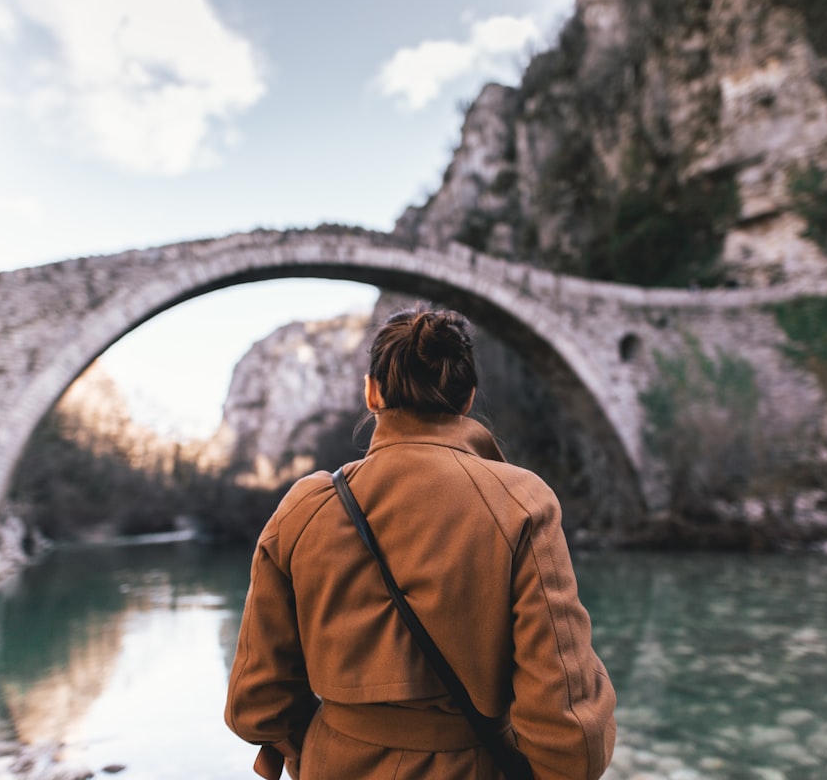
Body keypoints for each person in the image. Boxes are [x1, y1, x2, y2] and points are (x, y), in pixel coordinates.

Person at [224, 304, 616, 780]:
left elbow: (255, 703)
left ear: (371, 394)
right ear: (467, 398)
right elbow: (569, 731)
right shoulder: (521, 502)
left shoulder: (304, 509)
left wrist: (319, 745)